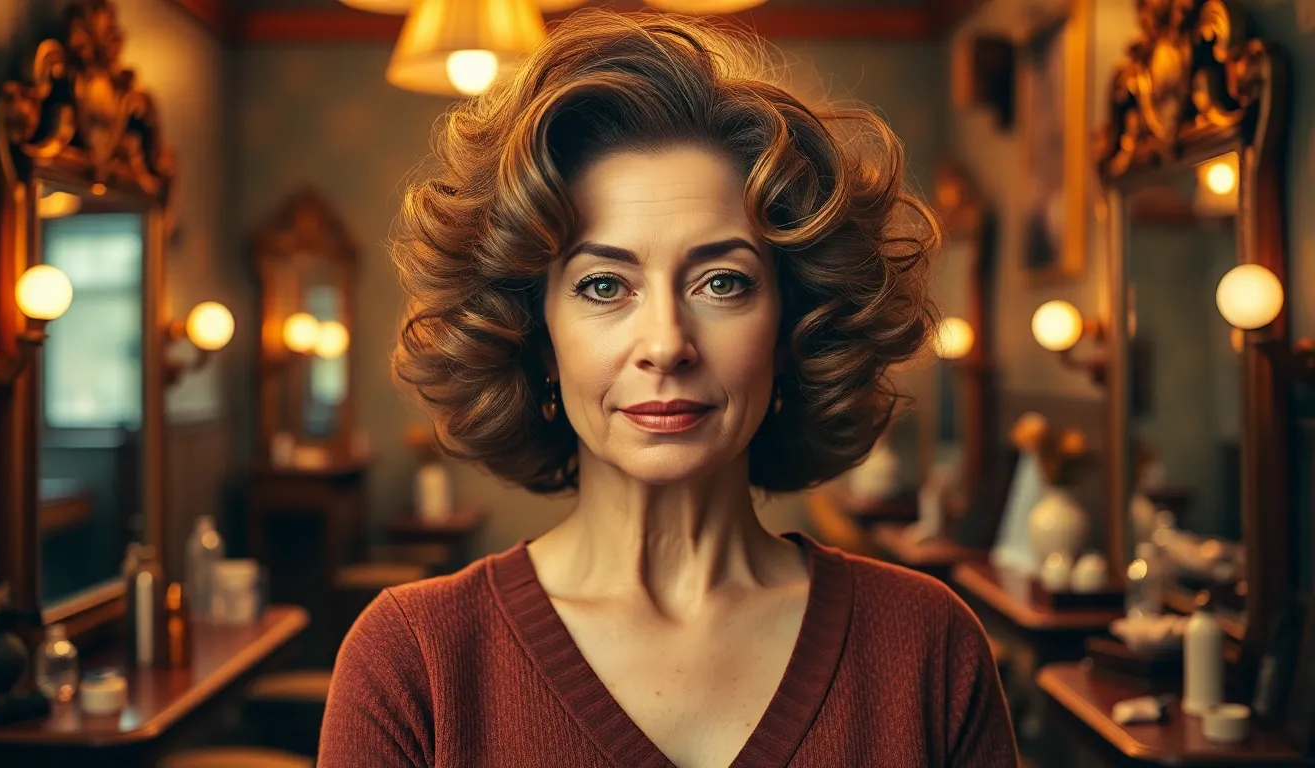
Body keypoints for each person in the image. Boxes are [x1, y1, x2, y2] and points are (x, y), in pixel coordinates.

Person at [320, 9, 1017, 767]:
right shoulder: (413, 660)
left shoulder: (928, 647)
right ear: (536, 335)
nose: (665, 345)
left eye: (722, 282)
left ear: (793, 326)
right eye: (603, 285)